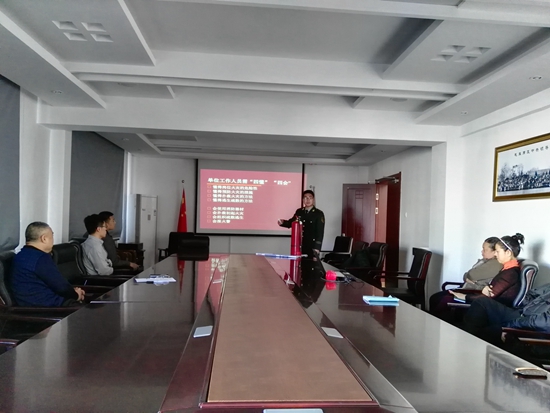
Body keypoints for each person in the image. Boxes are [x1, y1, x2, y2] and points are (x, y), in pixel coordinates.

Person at [9, 222, 85, 307]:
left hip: (34, 305)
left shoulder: (21, 255)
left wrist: (73, 292)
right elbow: (61, 287)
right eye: (52, 236)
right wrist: (76, 295)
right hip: (50, 308)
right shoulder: (40, 258)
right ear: (44, 238)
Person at [429, 237, 502, 318]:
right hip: (467, 289)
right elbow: (467, 275)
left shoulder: (494, 264)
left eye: (485, 250)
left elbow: (471, 275)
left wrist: (468, 277)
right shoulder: (486, 261)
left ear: (494, 252)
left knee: (440, 300)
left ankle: (436, 322)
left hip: (473, 292)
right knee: (435, 298)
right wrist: (467, 277)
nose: (482, 251)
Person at [462, 283, 550, 347]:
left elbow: (544, 322)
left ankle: (469, 343)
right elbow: (532, 293)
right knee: (482, 303)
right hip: (521, 314)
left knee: (489, 331)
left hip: (534, 330)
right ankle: (468, 340)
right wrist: (527, 306)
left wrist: (511, 325)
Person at [449, 233, 524, 307]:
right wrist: (486, 288)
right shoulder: (507, 269)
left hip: (492, 308)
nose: (495, 254)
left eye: (497, 251)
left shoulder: (510, 274)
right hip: (487, 304)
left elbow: (490, 295)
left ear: (508, 253)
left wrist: (464, 297)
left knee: (445, 299)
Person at [278, 190, 325, 258]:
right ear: (303, 200)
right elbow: (292, 222)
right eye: (305, 198)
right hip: (300, 245)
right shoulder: (299, 212)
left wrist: (317, 247)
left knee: (310, 263)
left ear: (313, 200)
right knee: (299, 263)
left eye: (310, 198)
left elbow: (320, 232)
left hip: (312, 246)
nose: (307, 200)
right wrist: (283, 223)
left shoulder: (318, 213)